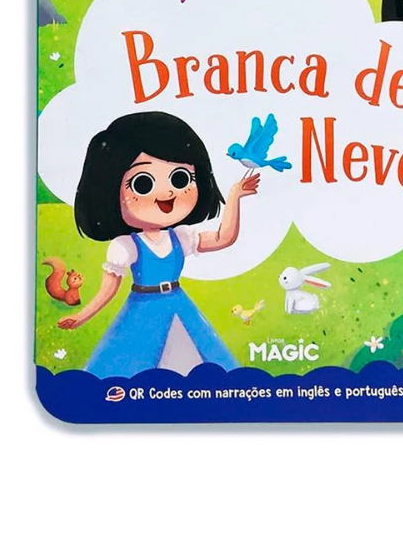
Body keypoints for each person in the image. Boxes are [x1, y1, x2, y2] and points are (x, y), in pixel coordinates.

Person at [55, 111, 258, 378]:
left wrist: (234, 196)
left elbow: (223, 238)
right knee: (136, 367)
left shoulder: (180, 237)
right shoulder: (126, 246)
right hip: (143, 312)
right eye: (142, 183)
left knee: (199, 361)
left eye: (180, 179)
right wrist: (82, 316)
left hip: (179, 305)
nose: (167, 193)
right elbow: (109, 289)